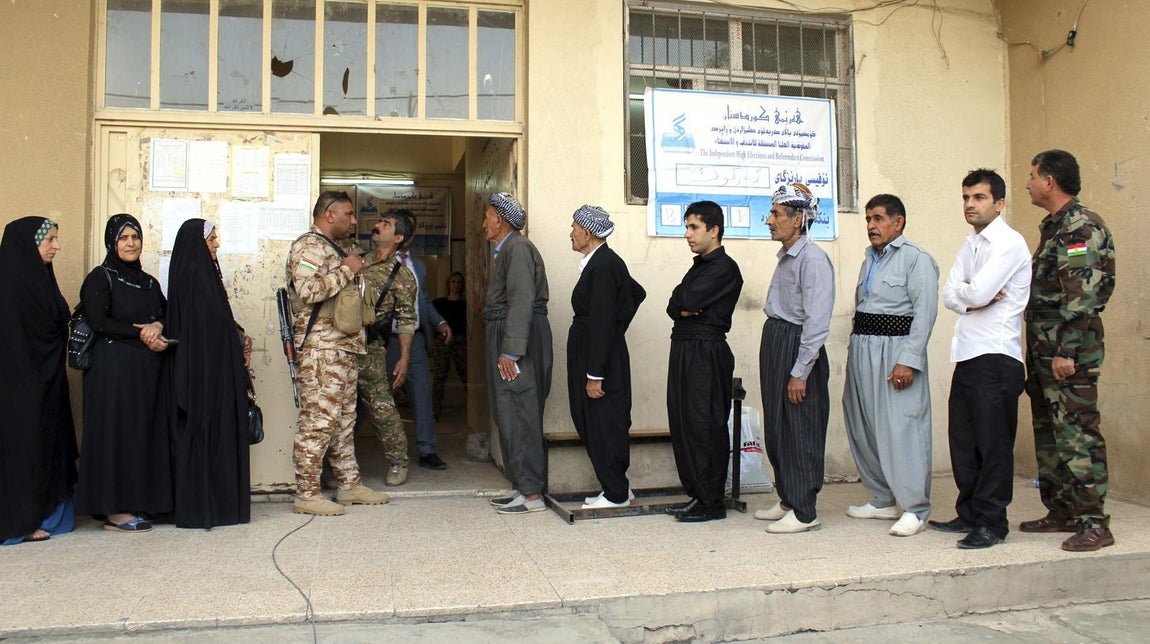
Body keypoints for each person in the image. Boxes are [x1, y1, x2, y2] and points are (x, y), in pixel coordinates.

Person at [928, 169, 1031, 549]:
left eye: (980, 197)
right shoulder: (969, 246)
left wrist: (971, 294)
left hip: (997, 355)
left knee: (993, 444)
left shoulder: (1009, 243)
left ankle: (993, 522)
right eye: (966, 197)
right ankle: (969, 512)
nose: (970, 204)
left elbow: (977, 290)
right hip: (968, 353)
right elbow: (951, 294)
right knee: (964, 441)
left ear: (999, 203)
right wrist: (972, 296)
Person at [1020, 149, 1116, 552]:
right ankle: (1061, 510)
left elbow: (1082, 298)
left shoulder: (1080, 227)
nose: (1027, 183)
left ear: (1050, 180)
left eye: (1032, 176)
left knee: (1077, 435)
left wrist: (1066, 352)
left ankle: (1094, 521)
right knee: (1051, 435)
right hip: (1045, 352)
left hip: (1066, 353)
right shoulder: (1055, 226)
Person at [286, 191, 389, 516]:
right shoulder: (308, 247)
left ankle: (348, 485)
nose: (354, 220)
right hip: (321, 351)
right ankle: (307, 492)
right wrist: (346, 270)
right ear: (329, 215)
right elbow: (307, 290)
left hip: (343, 349)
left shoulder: (340, 248)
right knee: (318, 421)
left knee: (343, 421)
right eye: (348, 213)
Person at [842, 194, 939, 537]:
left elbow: (924, 313)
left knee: (902, 428)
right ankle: (882, 498)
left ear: (898, 222)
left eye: (879, 218)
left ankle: (914, 507)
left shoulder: (916, 260)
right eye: (868, 219)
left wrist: (908, 361)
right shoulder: (870, 258)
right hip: (864, 348)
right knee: (863, 421)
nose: (871, 225)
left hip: (896, 352)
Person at [75, 214, 173, 533]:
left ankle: (143, 502)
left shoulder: (148, 282)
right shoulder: (101, 278)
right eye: (123, 238)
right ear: (111, 242)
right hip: (112, 373)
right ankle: (113, 512)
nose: (130, 244)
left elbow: (166, 314)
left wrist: (158, 327)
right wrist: (142, 333)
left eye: (135, 237)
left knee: (140, 436)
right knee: (115, 436)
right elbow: (98, 320)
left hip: (145, 375)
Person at [756, 184, 835, 534]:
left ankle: (805, 511)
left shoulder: (813, 260)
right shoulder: (788, 256)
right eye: (771, 213)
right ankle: (788, 498)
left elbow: (817, 322)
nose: (769, 221)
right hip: (777, 339)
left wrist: (800, 371)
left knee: (800, 427)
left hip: (797, 344)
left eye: (776, 214)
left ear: (798, 219)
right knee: (777, 425)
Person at [164, 218, 252, 529]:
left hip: (217, 371)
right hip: (202, 375)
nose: (217, 243)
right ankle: (205, 508)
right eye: (211, 239)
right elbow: (200, 330)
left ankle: (225, 506)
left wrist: (237, 336)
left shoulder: (208, 275)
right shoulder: (193, 277)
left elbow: (220, 321)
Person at [664, 200, 744, 523]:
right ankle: (698, 495)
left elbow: (690, 298)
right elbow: (674, 304)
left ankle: (711, 501)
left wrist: (686, 304)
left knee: (704, 424)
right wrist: (683, 307)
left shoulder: (725, 267)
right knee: (682, 421)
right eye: (687, 227)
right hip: (684, 347)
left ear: (714, 230)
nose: (688, 234)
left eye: (694, 227)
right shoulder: (699, 266)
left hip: (706, 352)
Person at [0, 217, 78, 545]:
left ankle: (46, 512)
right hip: (18, 386)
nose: (56, 246)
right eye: (49, 241)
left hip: (47, 382)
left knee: (47, 443)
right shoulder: (10, 286)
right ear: (28, 245)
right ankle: (21, 519)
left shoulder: (41, 279)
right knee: (24, 448)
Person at [566, 205, 646, 510]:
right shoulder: (601, 263)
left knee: (603, 421)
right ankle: (614, 488)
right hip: (594, 347)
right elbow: (633, 293)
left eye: (574, 227)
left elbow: (601, 319)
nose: (570, 233)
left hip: (597, 354)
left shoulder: (604, 265)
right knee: (591, 418)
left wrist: (595, 373)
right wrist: (616, 326)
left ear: (587, 233)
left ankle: (616, 493)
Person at [481, 192, 554, 515]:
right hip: (509, 334)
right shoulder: (507, 250)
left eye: (487, 216)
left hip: (517, 340)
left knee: (521, 411)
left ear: (499, 218)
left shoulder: (518, 248)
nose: (483, 223)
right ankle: (523, 487)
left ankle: (533, 494)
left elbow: (522, 301)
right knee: (508, 412)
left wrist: (510, 351)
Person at [384, 210, 452, 471]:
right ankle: (345, 449)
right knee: (373, 397)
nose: (410, 235)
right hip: (386, 341)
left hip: (415, 340)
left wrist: (440, 322)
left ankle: (427, 450)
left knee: (423, 394)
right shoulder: (374, 262)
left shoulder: (418, 267)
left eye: (412, 229)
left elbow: (422, 301)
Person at [358, 212, 417, 487]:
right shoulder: (354, 260)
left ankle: (398, 460)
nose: (378, 225)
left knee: (383, 409)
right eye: (379, 220)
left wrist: (404, 358)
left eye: (386, 224)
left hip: (371, 350)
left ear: (397, 238)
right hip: (341, 348)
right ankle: (333, 465)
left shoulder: (403, 277)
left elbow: (406, 321)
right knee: (338, 409)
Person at [431, 271, 468, 420]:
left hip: (459, 340)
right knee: (440, 376)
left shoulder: (464, 304)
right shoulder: (440, 303)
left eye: (459, 282)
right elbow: (431, 320)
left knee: (465, 373)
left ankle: (474, 411)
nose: (456, 285)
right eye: (453, 282)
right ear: (448, 284)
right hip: (442, 340)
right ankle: (435, 413)